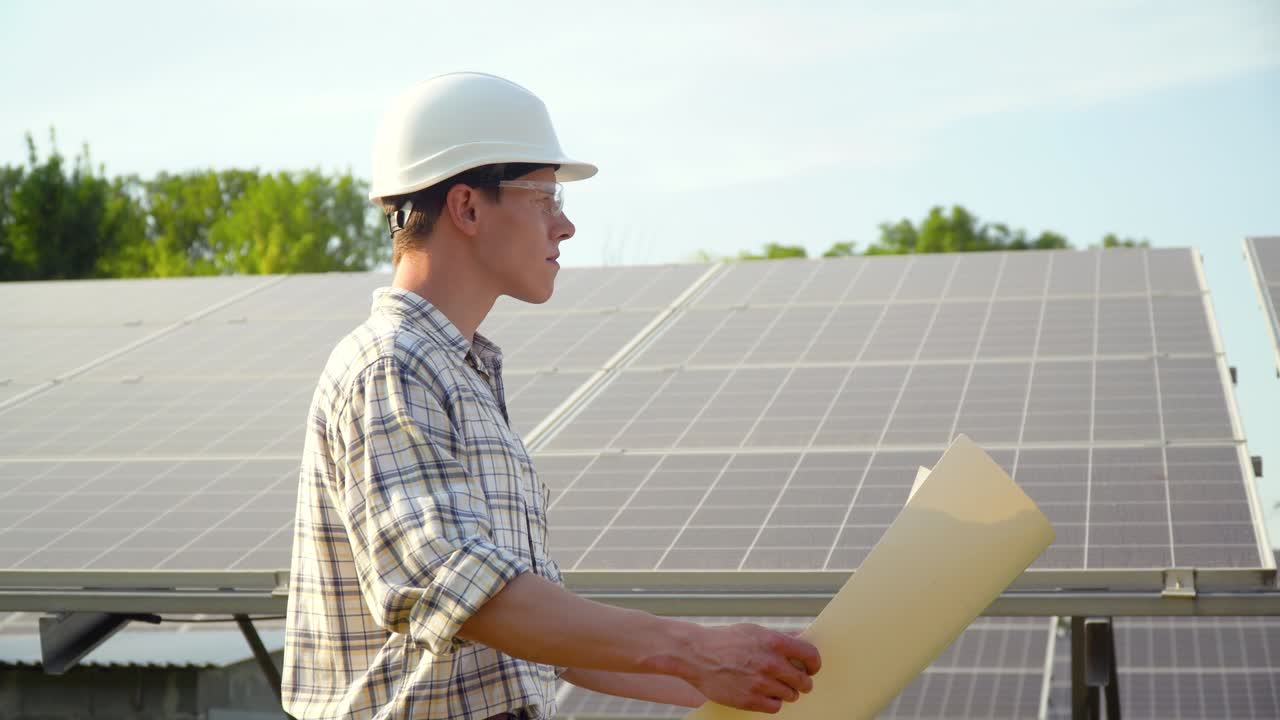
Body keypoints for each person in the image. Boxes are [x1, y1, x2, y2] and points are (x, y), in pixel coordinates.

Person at [283, 72, 821, 720]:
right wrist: (694, 651)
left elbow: (537, 640)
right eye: (545, 197)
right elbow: (461, 589)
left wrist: (762, 679)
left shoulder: (457, 374)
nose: (564, 225)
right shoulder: (391, 366)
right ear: (468, 207)